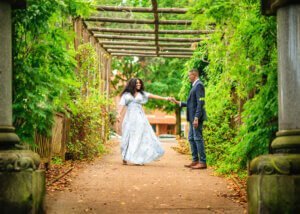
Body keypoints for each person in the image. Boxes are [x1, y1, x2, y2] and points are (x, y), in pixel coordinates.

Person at [117, 78, 172, 165]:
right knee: (127, 136)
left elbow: (153, 96)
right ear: (132, 84)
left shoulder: (142, 94)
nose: (139, 84)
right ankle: (125, 156)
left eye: (139, 83)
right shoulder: (126, 95)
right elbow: (121, 105)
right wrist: (118, 114)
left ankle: (138, 158)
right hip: (129, 118)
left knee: (139, 136)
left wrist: (165, 98)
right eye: (137, 83)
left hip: (140, 117)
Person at [172, 69, 207, 169]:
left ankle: (202, 162)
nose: (188, 78)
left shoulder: (199, 85)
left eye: (189, 76)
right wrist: (177, 102)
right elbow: (191, 104)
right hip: (192, 118)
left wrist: (196, 117)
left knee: (197, 138)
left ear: (194, 75)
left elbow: (201, 103)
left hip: (196, 117)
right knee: (191, 138)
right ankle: (195, 160)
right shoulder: (194, 86)